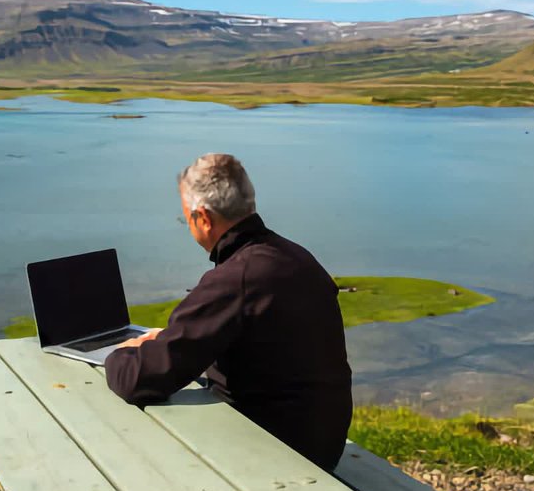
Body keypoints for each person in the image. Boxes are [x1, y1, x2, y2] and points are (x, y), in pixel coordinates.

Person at [105, 153, 353, 471]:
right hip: (321, 440)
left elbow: (139, 380)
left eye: (186, 219)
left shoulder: (237, 278)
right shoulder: (295, 256)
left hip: (281, 452)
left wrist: (119, 353)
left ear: (204, 218)